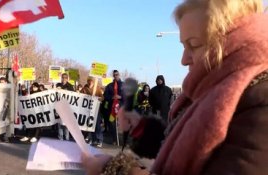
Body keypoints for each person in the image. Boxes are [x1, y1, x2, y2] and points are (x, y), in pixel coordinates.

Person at [82, 0, 268, 174]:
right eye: (183, 46)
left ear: (232, 40)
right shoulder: (205, 93)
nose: (183, 59)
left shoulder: (259, 102)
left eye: (193, 45)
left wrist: (112, 168)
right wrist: (143, 130)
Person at [80, 76, 104, 147]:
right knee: (88, 124)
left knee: (97, 125)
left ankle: (99, 140)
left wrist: (100, 99)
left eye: (91, 81)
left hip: (96, 110)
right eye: (88, 81)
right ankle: (92, 139)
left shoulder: (97, 88)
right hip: (87, 110)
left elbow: (102, 97)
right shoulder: (84, 88)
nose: (90, 82)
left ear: (93, 81)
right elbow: (80, 96)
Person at [103, 70, 124, 145]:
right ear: (113, 76)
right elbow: (105, 96)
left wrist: (120, 97)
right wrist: (112, 97)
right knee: (112, 123)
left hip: (121, 108)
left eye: (117, 74)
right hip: (112, 109)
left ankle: (124, 140)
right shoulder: (109, 86)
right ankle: (114, 139)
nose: (116, 76)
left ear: (119, 75)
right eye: (114, 75)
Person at [57, 73, 75, 140]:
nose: (64, 79)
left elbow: (73, 96)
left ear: (67, 78)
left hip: (67, 107)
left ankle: (67, 139)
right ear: (61, 78)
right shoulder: (58, 85)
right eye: (63, 77)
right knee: (60, 124)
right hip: (59, 107)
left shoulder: (70, 86)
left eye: (65, 77)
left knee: (66, 124)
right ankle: (60, 139)